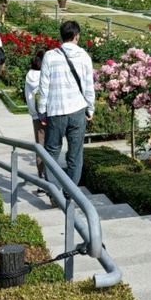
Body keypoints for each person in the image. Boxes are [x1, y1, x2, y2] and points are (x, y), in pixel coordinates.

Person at [38, 20, 94, 185]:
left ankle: (55, 194)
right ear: (76, 36)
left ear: (61, 36)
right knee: (75, 155)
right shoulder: (84, 56)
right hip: (78, 111)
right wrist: (90, 109)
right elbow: (89, 87)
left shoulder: (50, 56)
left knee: (52, 152)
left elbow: (44, 87)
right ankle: (70, 195)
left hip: (56, 111)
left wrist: (42, 110)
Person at [25, 49, 46, 182]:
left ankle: (41, 176)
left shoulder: (29, 76)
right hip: (49, 115)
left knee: (40, 145)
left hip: (36, 115)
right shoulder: (45, 76)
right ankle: (49, 177)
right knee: (51, 146)